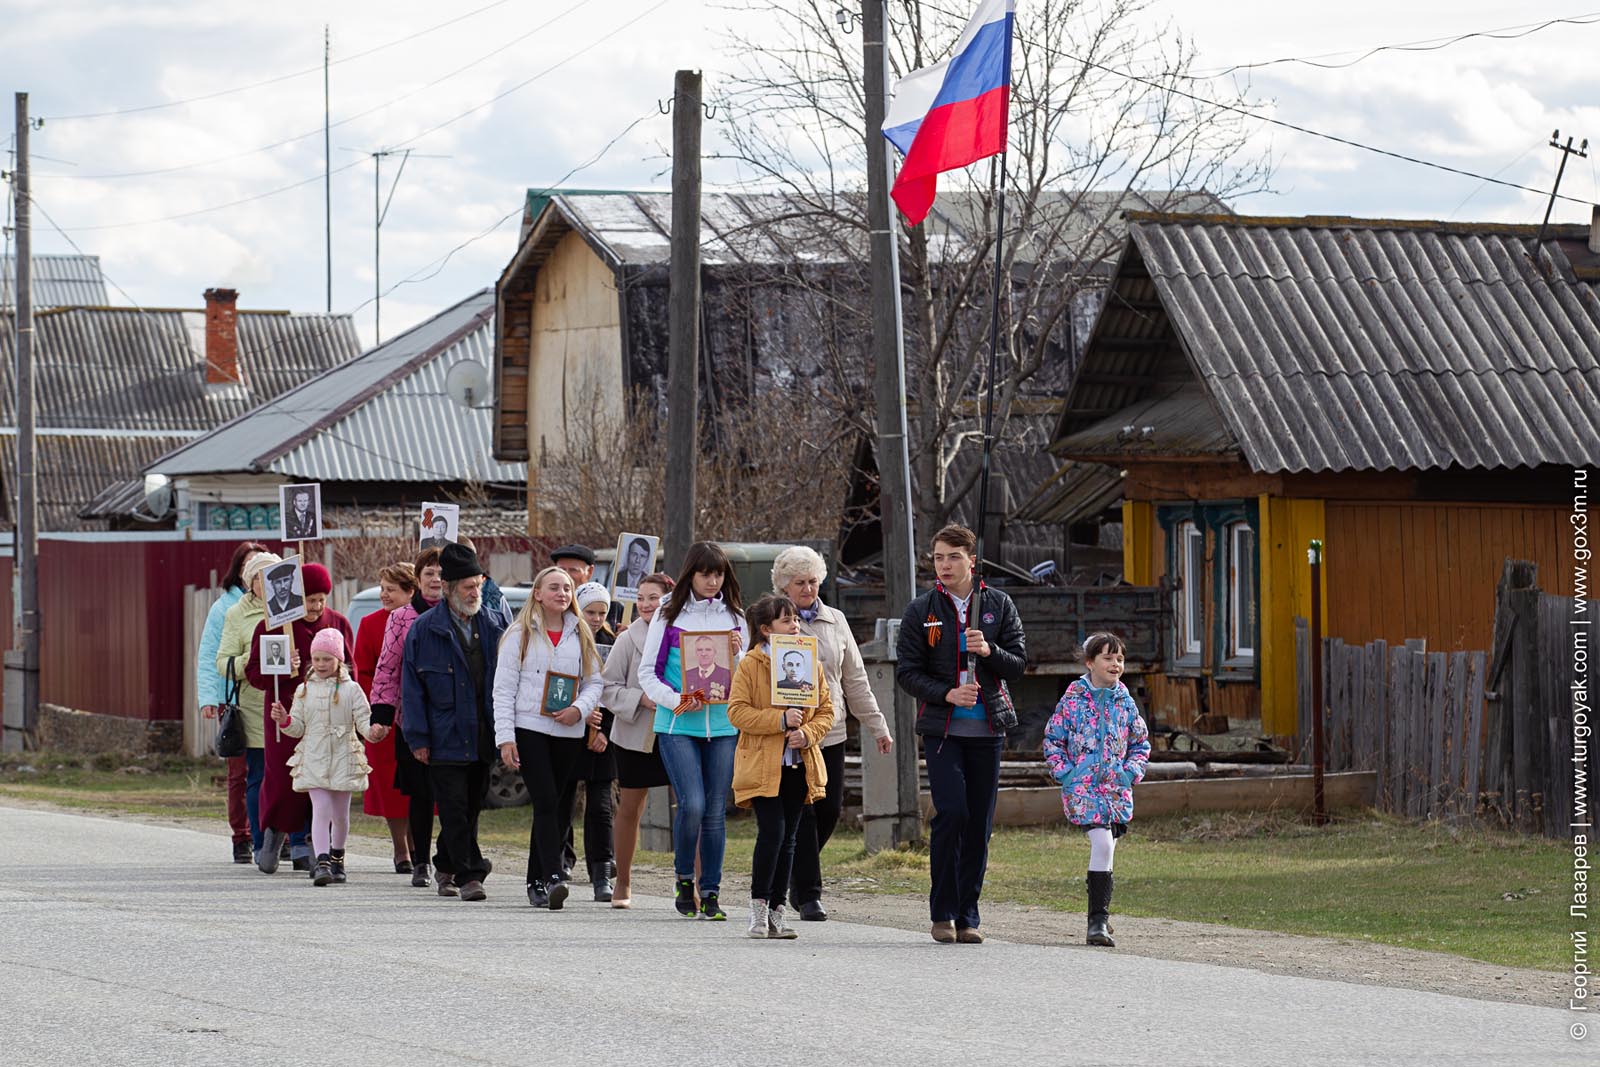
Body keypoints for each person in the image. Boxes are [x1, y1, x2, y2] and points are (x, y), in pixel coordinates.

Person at [895, 524, 1025, 945]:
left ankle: (968, 914)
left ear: (972, 559)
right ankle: (941, 912)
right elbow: (908, 673)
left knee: (980, 824)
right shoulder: (922, 611)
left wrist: (989, 651)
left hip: (988, 729)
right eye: (938, 557)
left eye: (953, 556)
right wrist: (948, 693)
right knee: (952, 812)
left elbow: (1019, 664)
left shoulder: (999, 604)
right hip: (945, 730)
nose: (945, 565)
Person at [772, 545, 893, 922]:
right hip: (790, 734)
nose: (808, 589)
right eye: (799, 583)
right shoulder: (772, 619)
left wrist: (877, 725)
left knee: (829, 809)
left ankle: (792, 867)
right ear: (783, 587)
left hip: (831, 729)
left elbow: (855, 679)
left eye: (812, 581)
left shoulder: (835, 620)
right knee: (803, 810)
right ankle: (809, 894)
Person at [636, 541, 749, 921]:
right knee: (694, 804)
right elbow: (646, 674)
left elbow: (749, 674)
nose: (712, 580)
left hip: (722, 725)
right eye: (705, 573)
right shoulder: (668, 613)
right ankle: (685, 877)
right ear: (691, 574)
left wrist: (737, 652)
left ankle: (712, 891)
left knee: (716, 810)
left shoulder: (735, 616)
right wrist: (676, 700)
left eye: (718, 573)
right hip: (677, 723)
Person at [493, 567, 605, 909]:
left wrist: (580, 710)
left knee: (559, 804)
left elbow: (595, 683)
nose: (562, 593)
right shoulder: (519, 634)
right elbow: (503, 689)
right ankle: (554, 875)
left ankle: (535, 880)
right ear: (538, 594)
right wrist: (505, 738)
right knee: (544, 800)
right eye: (554, 587)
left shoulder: (581, 633)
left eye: (568, 588)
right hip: (530, 728)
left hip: (568, 730)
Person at [401, 543, 507, 903]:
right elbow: (411, 690)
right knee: (452, 807)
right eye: (467, 587)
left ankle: (444, 865)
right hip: (442, 735)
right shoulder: (424, 630)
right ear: (448, 589)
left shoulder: (495, 625)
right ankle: (470, 874)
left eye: (478, 584)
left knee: (471, 806)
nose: (475, 592)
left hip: (482, 734)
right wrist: (417, 738)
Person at [728, 594, 835, 940]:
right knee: (771, 833)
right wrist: (779, 720)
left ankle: (778, 911)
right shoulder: (750, 664)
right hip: (762, 763)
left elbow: (826, 711)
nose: (795, 625)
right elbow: (737, 712)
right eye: (786, 620)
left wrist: (806, 732)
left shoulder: (810, 663)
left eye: (795, 620)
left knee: (790, 837)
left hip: (798, 764)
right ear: (766, 630)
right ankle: (758, 908)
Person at [1042, 632, 1150, 948]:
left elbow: (1140, 743)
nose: (1115, 664)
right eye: (1107, 657)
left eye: (1119, 658)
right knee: (1101, 843)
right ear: (1090, 663)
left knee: (1108, 847)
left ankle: (1100, 916)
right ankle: (1097, 923)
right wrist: (1067, 773)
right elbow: (1052, 740)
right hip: (1084, 789)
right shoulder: (1072, 700)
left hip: (1116, 789)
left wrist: (1130, 772)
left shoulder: (1126, 703)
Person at [247, 562, 354, 876]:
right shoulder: (273, 625)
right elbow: (253, 673)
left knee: (321, 780)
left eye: (321, 599)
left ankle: (309, 845)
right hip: (285, 715)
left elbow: (353, 669)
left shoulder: (338, 624)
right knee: (283, 779)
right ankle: (273, 833)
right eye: (309, 599)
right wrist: (278, 668)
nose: (316, 606)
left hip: (327, 718)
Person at [270, 628, 386, 887]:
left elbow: (364, 721)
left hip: (344, 755)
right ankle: (321, 861)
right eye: (318, 659)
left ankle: (338, 857)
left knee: (341, 815)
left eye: (327, 659)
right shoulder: (303, 690)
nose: (321, 664)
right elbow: (297, 727)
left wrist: (374, 731)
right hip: (314, 755)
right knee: (320, 809)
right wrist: (285, 720)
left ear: (339, 660)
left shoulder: (352, 689)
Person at [370, 548, 443, 888]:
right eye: (429, 572)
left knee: (455, 792)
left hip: (452, 717)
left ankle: (453, 857)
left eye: (441, 572)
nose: (436, 578)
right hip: (411, 716)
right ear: (419, 578)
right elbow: (387, 667)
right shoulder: (401, 618)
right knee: (419, 792)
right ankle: (420, 861)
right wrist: (382, 713)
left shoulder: (458, 612)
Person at [600, 572, 673, 909]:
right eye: (641, 598)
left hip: (679, 730)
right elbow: (606, 686)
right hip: (636, 734)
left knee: (693, 806)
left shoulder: (682, 635)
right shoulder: (628, 639)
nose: (645, 604)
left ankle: (696, 885)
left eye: (653, 598)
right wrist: (640, 700)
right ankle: (623, 881)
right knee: (631, 805)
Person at [198, 540, 269, 863]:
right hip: (235, 700)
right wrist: (209, 698)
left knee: (273, 770)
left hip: (271, 697)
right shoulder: (225, 607)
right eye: (247, 566)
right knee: (240, 773)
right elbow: (210, 655)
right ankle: (242, 835)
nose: (253, 573)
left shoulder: (279, 605)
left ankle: (272, 832)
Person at [216, 550, 281, 869]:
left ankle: (289, 838)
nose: (265, 583)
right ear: (249, 581)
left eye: (271, 575)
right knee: (258, 776)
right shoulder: (236, 614)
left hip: (289, 705)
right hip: (254, 705)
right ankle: (258, 838)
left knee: (290, 777)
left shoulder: (289, 610)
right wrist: (254, 659)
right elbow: (223, 663)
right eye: (259, 577)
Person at [354, 562, 417, 872]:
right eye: (382, 589)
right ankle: (400, 849)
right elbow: (363, 671)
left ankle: (419, 846)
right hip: (384, 719)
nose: (384, 595)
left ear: (410, 592)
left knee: (419, 786)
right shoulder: (369, 624)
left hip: (417, 715)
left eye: (391, 590)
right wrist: (378, 709)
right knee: (390, 788)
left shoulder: (424, 620)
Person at [563, 580, 618, 899]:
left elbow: (615, 687)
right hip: (571, 728)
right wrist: (582, 716)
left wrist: (604, 732)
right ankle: (557, 861)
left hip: (604, 735)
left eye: (601, 612)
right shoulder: (567, 640)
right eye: (590, 612)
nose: (596, 619)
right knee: (564, 800)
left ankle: (602, 871)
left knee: (600, 806)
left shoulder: (612, 641)